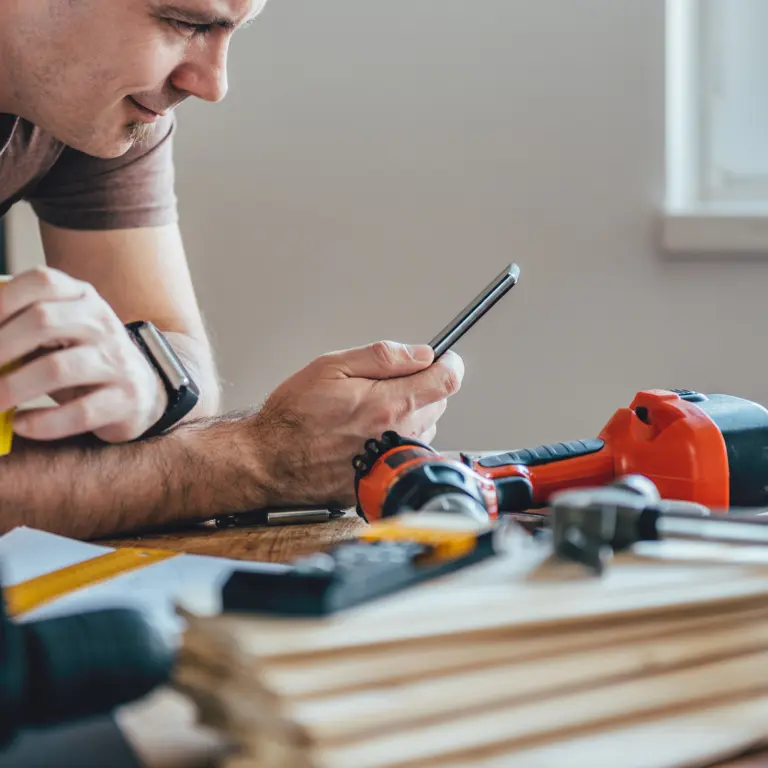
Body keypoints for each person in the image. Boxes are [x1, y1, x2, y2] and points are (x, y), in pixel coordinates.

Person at [0, 0, 464, 539]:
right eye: (185, 22)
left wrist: (149, 377)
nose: (212, 84)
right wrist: (262, 459)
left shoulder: (95, 111)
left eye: (233, 31)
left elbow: (180, 354)